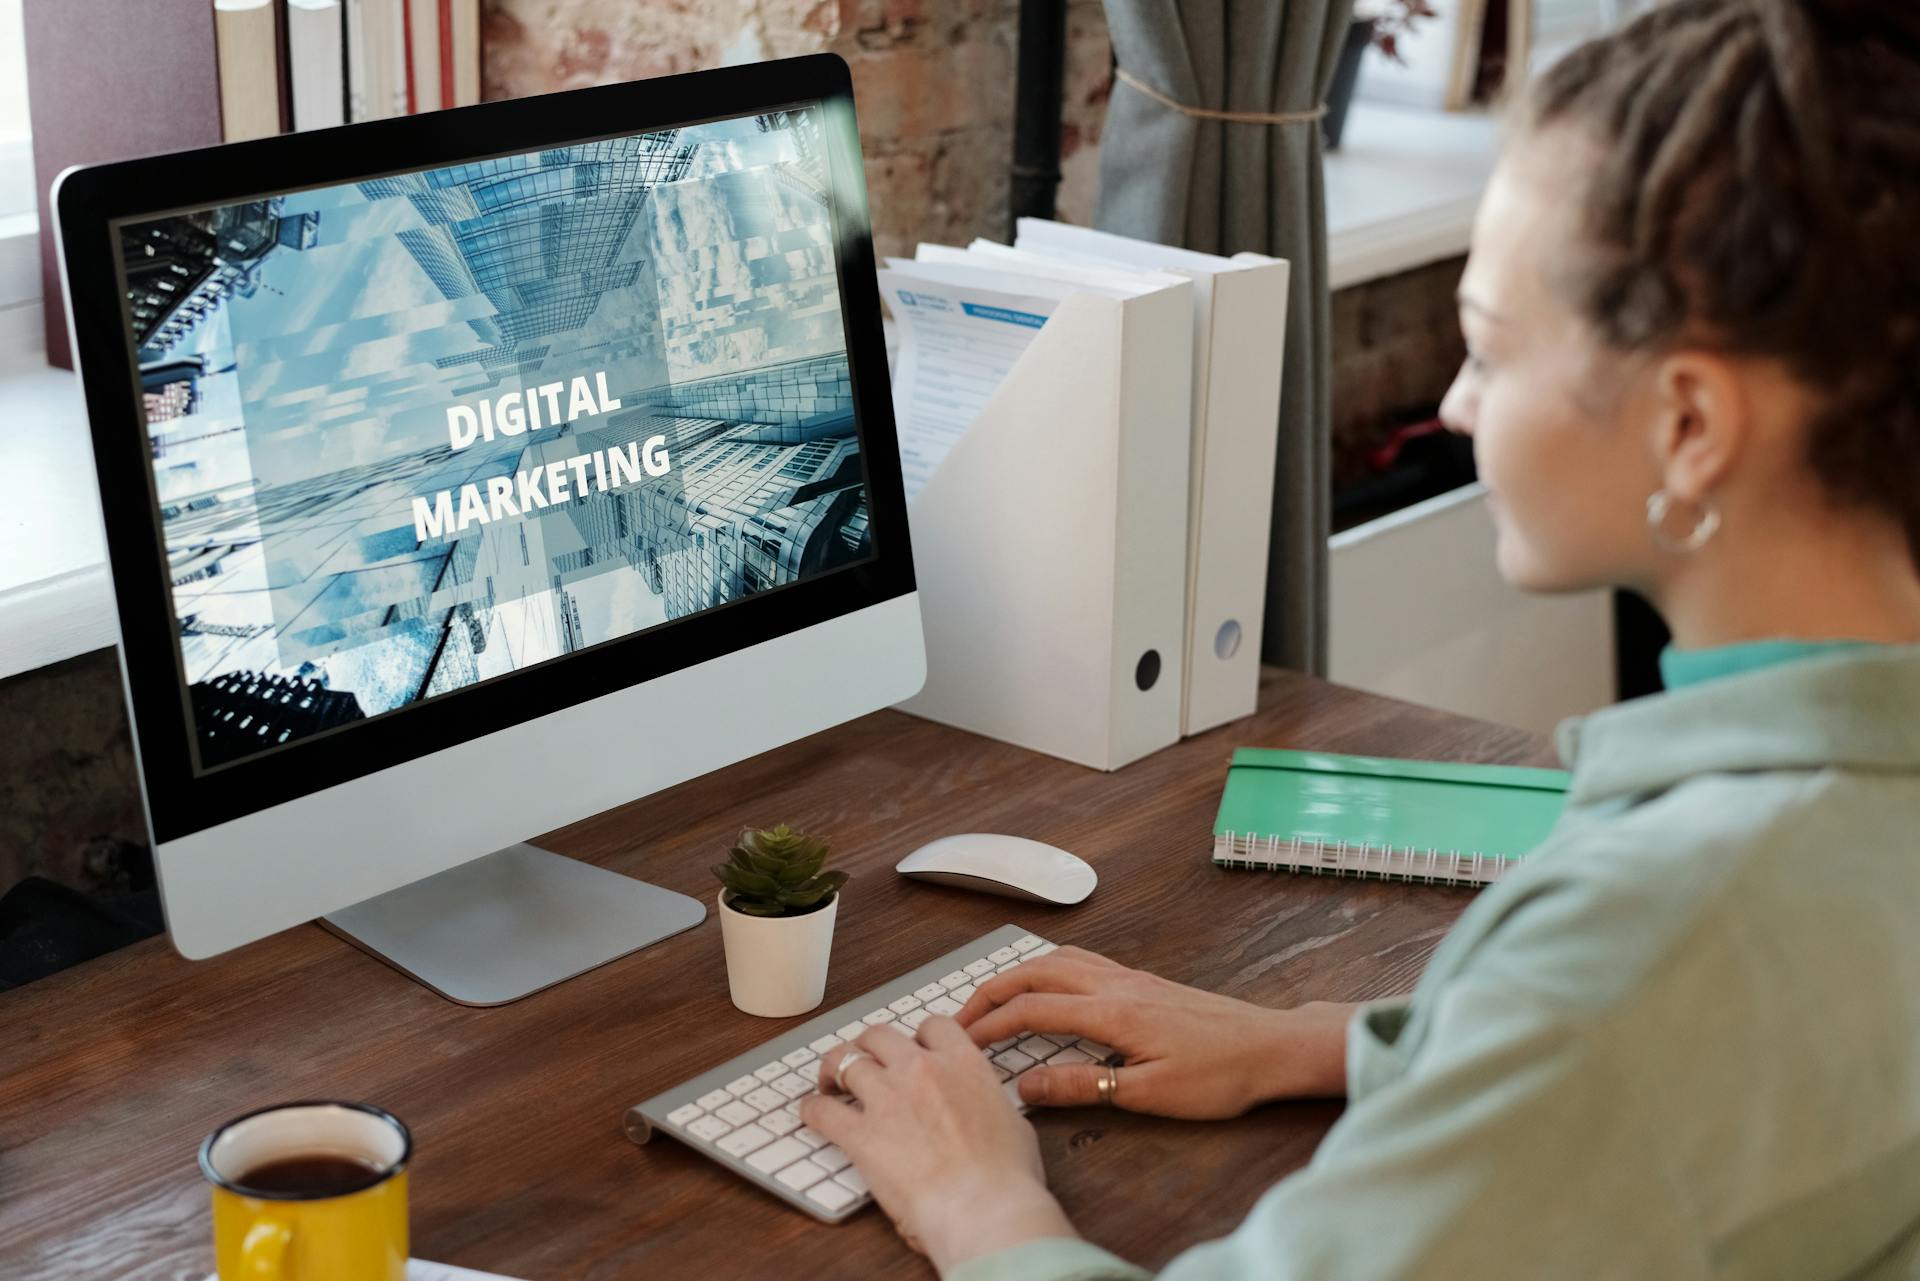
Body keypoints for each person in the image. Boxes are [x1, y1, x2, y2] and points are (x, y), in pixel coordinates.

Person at [795, 0, 1920, 1276]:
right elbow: (1717, 1067)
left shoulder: (1662, 933)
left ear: (1691, 427)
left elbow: (1637, 1022)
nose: (1455, 402)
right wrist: (1321, 1038)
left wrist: (978, 1202)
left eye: (1490, 350)